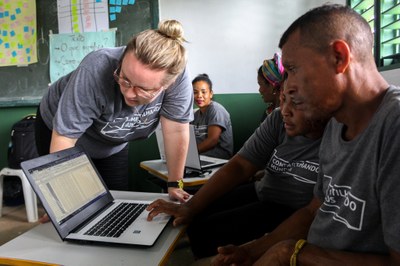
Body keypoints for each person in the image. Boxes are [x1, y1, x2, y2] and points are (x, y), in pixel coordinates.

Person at [210, 4, 400, 265]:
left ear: (339, 58)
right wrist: (255, 250)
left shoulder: (393, 126)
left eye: (293, 69)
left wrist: (293, 253)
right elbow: (314, 210)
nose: (288, 86)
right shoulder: (335, 123)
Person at [146, 80, 328, 259]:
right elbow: (241, 165)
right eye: (283, 99)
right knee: (196, 214)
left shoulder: (335, 137)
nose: (285, 111)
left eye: (296, 103)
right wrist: (189, 207)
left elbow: (313, 212)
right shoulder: (278, 119)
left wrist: (252, 250)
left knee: (209, 230)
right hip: (263, 191)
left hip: (290, 208)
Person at [35, 19, 193, 203]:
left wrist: (175, 184)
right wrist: (64, 199)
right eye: (124, 79)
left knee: (113, 201)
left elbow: (176, 131)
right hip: (59, 131)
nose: (128, 92)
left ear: (168, 84)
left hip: (112, 140)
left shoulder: (178, 79)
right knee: (72, 204)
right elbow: (64, 137)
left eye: (142, 89)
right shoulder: (95, 68)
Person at [191, 73, 233, 159]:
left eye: (204, 92)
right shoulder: (195, 114)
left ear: (211, 93)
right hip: (200, 157)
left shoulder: (216, 110)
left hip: (218, 160)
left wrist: (190, 153)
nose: (199, 96)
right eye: (195, 92)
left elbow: (212, 140)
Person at [258, 53, 285, 122]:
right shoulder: (269, 112)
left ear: (272, 86)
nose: (259, 90)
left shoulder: (286, 117)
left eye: (260, 85)